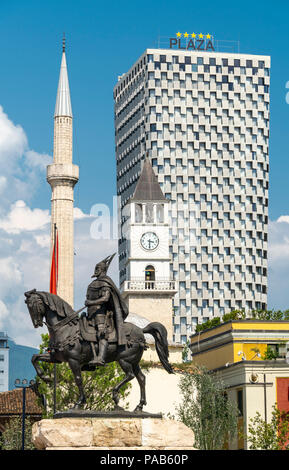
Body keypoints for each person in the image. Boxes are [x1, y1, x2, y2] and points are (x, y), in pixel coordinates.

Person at [84, 253, 128, 366]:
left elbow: (105, 298)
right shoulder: (92, 284)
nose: (96, 270)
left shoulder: (105, 282)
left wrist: (91, 302)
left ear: (102, 270)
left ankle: (101, 357)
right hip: (90, 313)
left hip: (101, 314)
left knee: (101, 333)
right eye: (95, 268)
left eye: (97, 268)